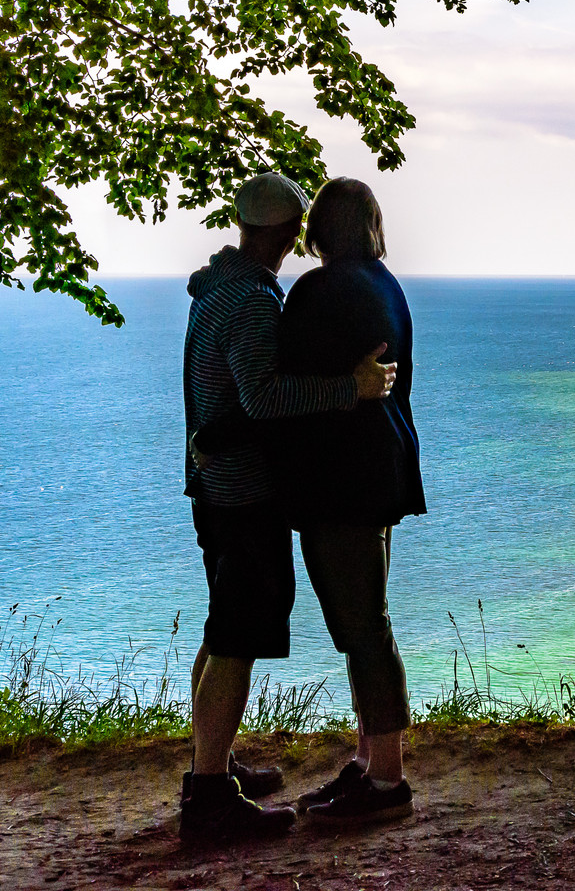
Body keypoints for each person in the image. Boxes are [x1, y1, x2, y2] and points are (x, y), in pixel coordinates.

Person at [179, 173, 396, 844]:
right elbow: (264, 400)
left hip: (218, 487)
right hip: (243, 493)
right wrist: (348, 387)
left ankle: (211, 761)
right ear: (286, 231)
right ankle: (209, 793)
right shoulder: (249, 302)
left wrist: (211, 440)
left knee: (224, 630)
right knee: (238, 638)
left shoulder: (219, 289)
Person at [271, 177, 426, 826]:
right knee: (368, 618)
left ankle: (387, 780)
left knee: (363, 626)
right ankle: (369, 764)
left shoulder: (318, 290)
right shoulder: (388, 285)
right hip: (385, 471)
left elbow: (278, 380)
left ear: (320, 230)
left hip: (342, 480)